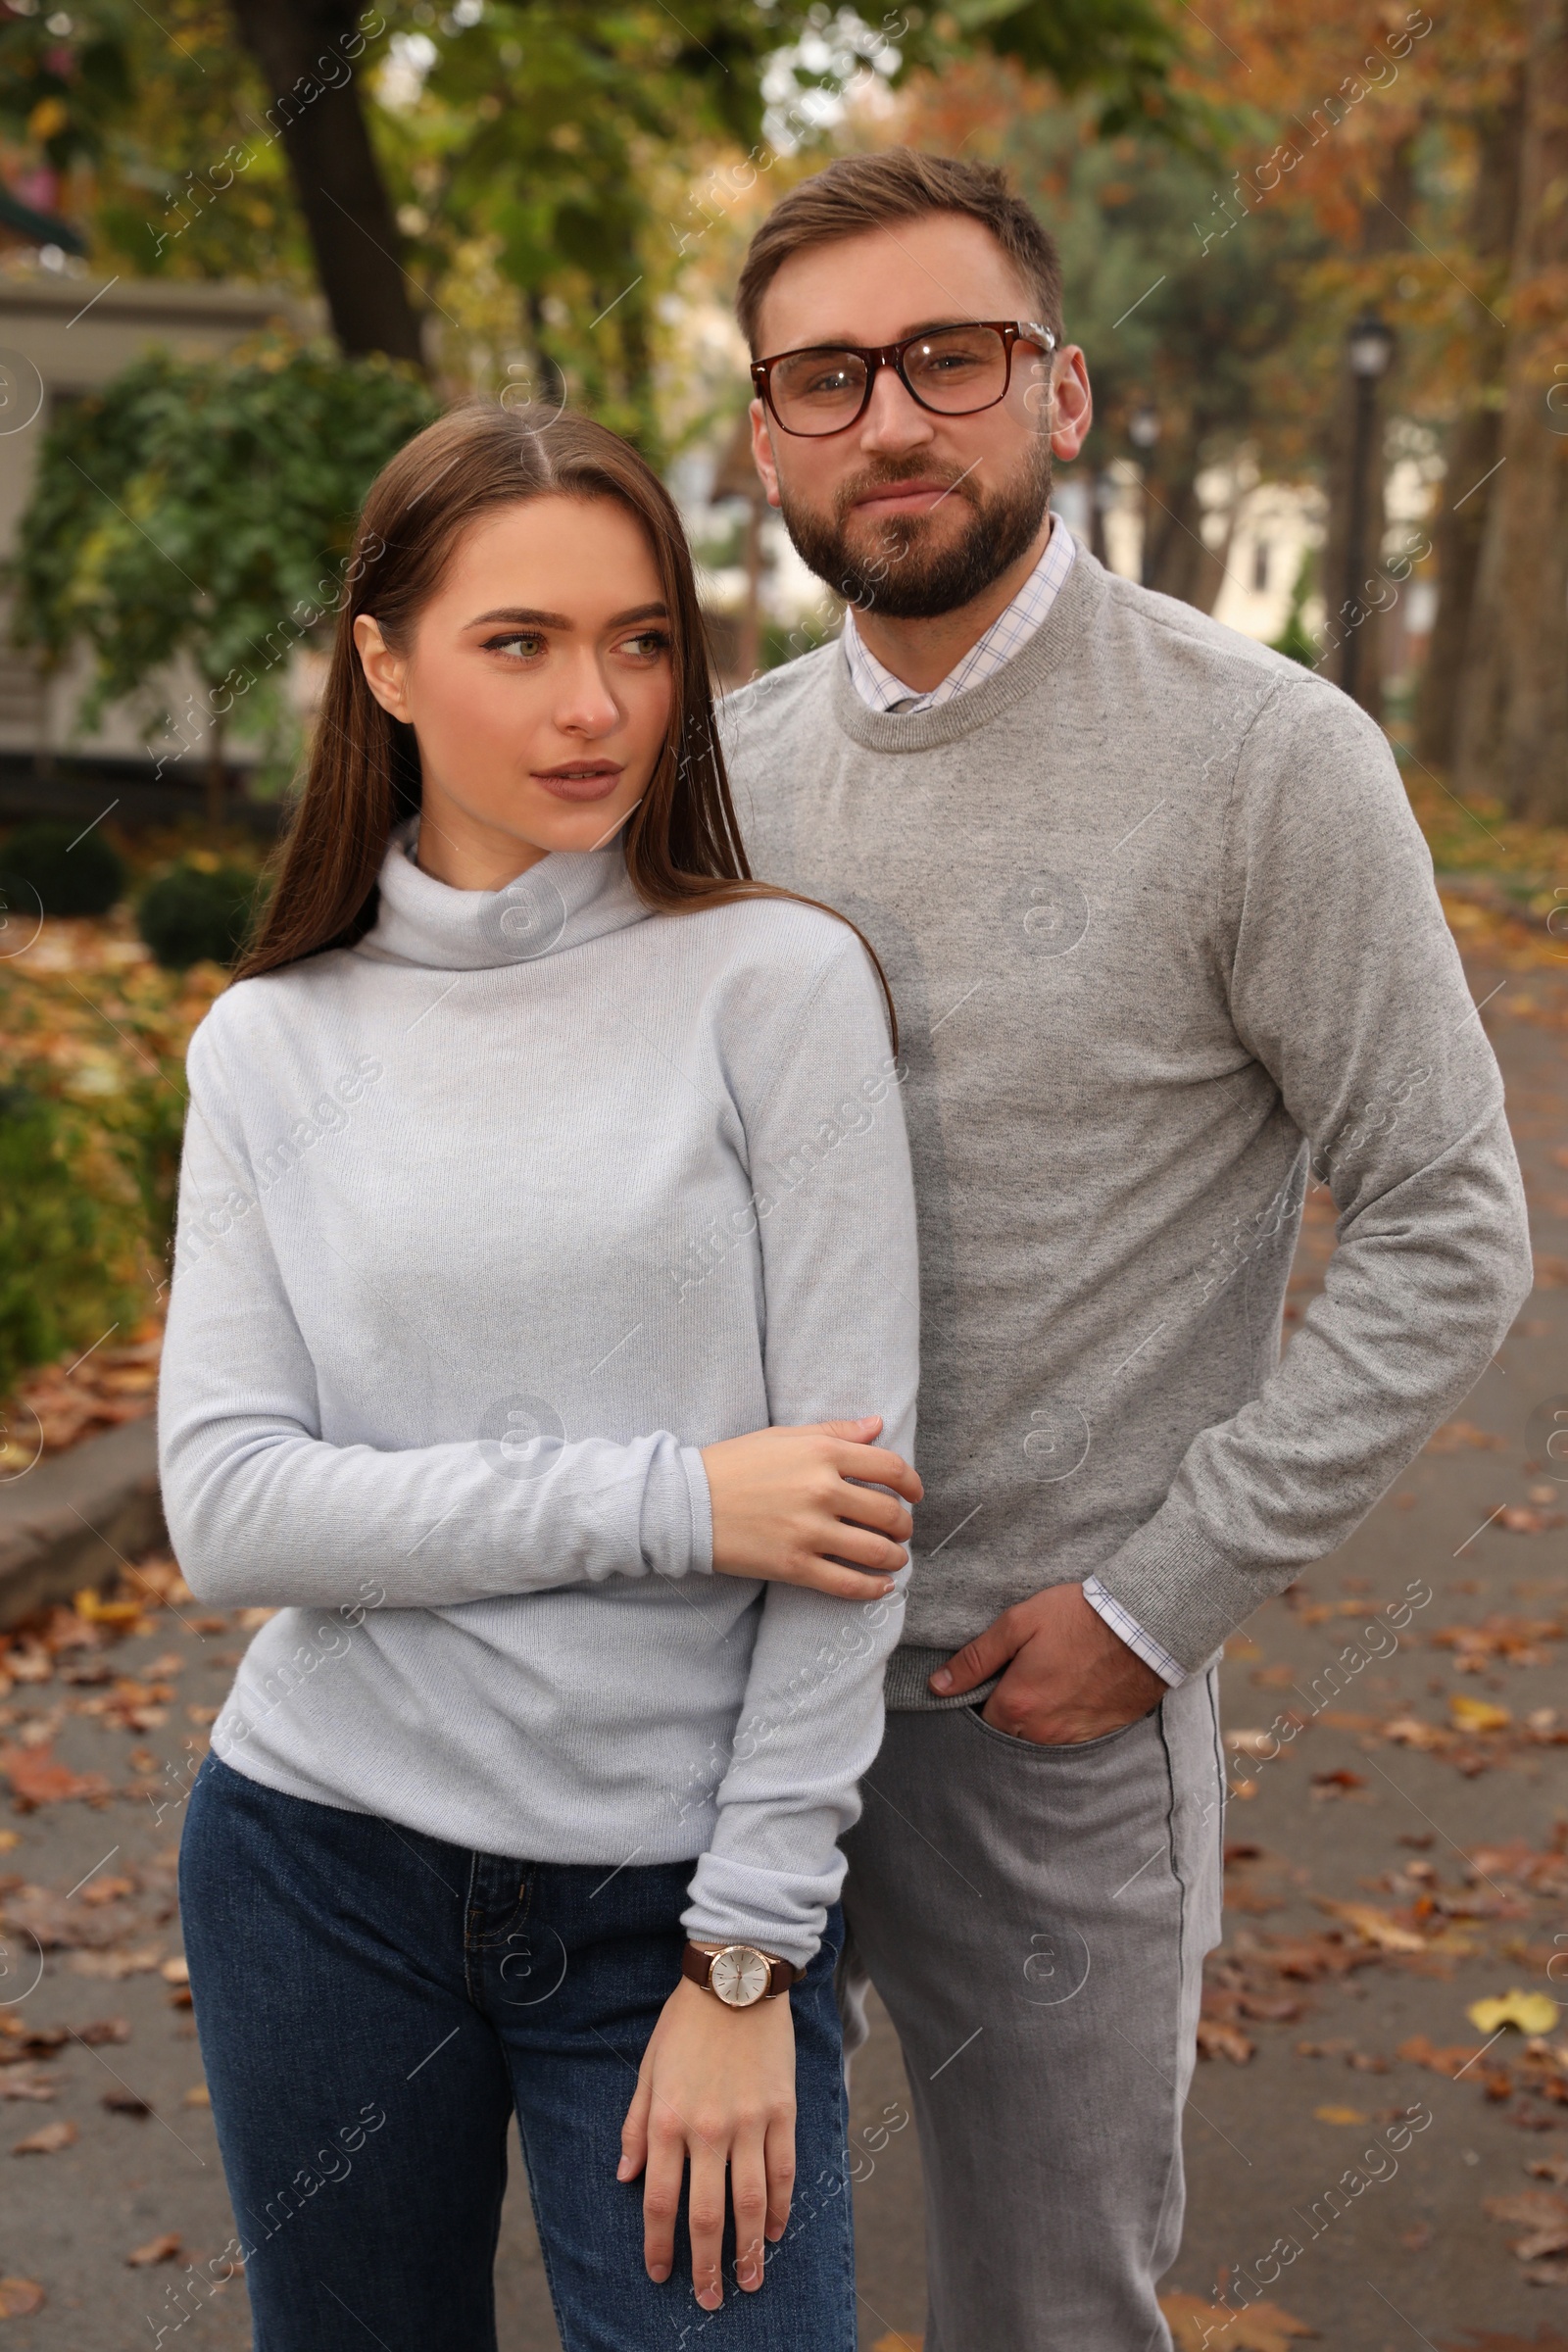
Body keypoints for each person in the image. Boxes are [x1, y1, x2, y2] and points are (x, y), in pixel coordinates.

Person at [718, 149, 1534, 2351]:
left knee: (1046, 2312)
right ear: (763, 438)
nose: (887, 418)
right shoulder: (713, 779)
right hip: (707, 1698)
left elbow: (1449, 1227)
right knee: (690, 2294)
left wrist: (1156, 1603)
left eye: (945, 357)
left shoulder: (1262, 760)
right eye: (822, 377)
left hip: (1039, 1712)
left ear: (1056, 393)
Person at [160, 403, 921, 2352]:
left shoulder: (772, 985)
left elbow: (845, 1521)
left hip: (669, 1907)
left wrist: (747, 1959)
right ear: (385, 659)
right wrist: (677, 1496)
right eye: (520, 644)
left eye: (641, 641)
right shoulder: (269, 1042)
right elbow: (233, 1510)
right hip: (316, 1864)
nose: (597, 704)